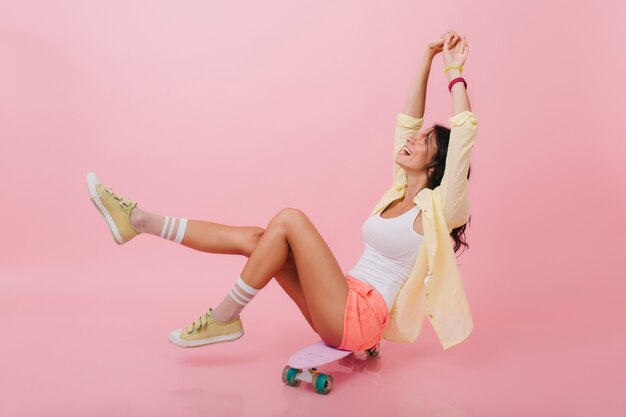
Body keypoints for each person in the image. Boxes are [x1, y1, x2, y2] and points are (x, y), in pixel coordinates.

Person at [86, 30, 477, 352]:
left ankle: (223, 316)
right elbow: (407, 121)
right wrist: (426, 61)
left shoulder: (439, 210)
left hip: (360, 316)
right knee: (262, 240)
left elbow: (463, 140)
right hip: (340, 299)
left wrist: (454, 71)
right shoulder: (397, 191)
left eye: (424, 141)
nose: (412, 140)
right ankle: (141, 221)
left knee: (290, 219)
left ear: (435, 165)